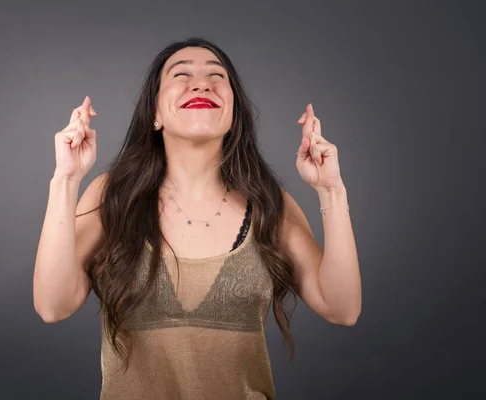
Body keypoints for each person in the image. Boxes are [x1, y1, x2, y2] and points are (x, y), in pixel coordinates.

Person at [33, 37, 361, 400]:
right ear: (154, 114)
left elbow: (342, 308)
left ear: (234, 115)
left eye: (217, 76)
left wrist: (332, 190)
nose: (202, 83)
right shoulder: (112, 195)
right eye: (181, 74)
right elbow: (52, 305)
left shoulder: (269, 202)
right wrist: (65, 180)